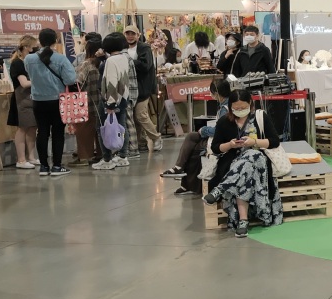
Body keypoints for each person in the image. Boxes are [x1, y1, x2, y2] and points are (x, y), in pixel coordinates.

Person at [201, 89, 283, 238]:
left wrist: (254, 142)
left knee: (252, 154)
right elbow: (215, 148)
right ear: (230, 107)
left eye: (243, 107)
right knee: (246, 169)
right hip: (234, 162)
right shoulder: (224, 121)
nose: (239, 111)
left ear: (250, 103)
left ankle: (220, 189)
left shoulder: (260, 117)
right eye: (236, 108)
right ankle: (243, 220)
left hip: (259, 161)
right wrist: (230, 145)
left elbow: (274, 141)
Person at [161, 79, 232, 194]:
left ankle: (185, 180)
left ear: (217, 93)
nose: (211, 94)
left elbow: (219, 131)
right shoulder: (224, 105)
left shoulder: (226, 108)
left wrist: (204, 130)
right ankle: (179, 168)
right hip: (218, 137)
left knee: (194, 149)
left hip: (221, 140)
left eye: (212, 92)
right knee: (191, 136)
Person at [23, 28, 78, 176]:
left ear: (39, 41)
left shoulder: (29, 59)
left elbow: (30, 75)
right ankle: (57, 167)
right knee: (58, 133)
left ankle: (44, 167)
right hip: (57, 100)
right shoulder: (61, 59)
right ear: (55, 40)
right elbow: (70, 79)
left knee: (42, 132)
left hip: (38, 101)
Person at [93, 32, 132, 170]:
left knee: (102, 128)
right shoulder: (124, 58)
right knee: (121, 127)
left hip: (111, 100)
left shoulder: (110, 61)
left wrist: (110, 104)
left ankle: (107, 159)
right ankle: (123, 156)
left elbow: (111, 82)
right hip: (123, 97)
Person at [124, 25, 163, 154]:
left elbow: (146, 66)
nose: (130, 36)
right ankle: (141, 143)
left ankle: (156, 137)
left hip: (143, 87)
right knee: (134, 117)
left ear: (138, 35)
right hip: (129, 88)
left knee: (141, 115)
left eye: (132, 34)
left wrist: (129, 61)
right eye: (127, 34)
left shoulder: (144, 48)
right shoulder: (123, 48)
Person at [7, 35, 40, 170]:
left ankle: (31, 156)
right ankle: (21, 159)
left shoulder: (29, 62)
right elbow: (24, 83)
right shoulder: (17, 63)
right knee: (23, 128)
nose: (36, 49)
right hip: (22, 100)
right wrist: (40, 80)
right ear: (27, 47)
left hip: (32, 99)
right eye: (34, 47)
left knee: (32, 127)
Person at [72, 34, 105, 168]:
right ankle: (101, 154)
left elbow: (77, 81)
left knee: (84, 132)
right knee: (100, 130)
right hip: (101, 102)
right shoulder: (104, 62)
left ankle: (84, 157)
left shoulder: (86, 64)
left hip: (85, 102)